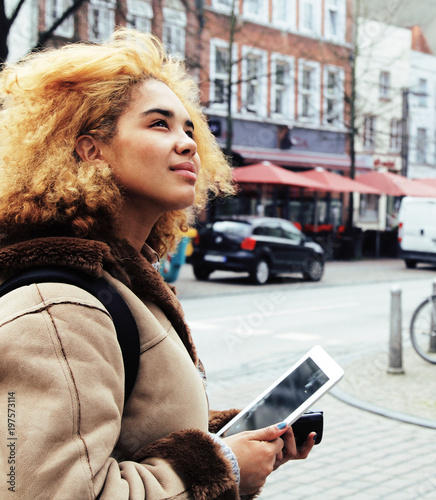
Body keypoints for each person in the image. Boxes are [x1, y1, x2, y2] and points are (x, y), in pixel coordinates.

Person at [0, 29, 315, 499]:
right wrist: (223, 465)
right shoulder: (58, 308)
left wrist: (232, 438)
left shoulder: (119, 280)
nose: (188, 143)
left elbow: (124, 432)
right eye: (159, 124)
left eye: (189, 128)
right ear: (91, 149)